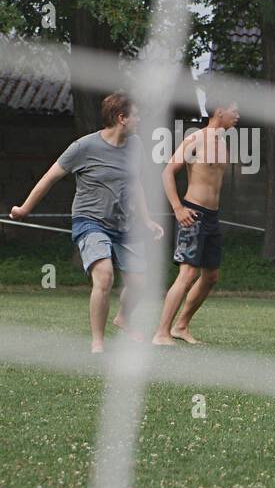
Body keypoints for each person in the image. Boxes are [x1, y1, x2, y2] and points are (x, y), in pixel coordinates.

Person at [8, 92, 164, 352]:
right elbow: (49, 178)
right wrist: (24, 209)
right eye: (136, 114)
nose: (140, 119)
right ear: (121, 118)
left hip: (122, 224)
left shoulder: (135, 145)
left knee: (139, 283)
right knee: (104, 276)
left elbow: (134, 182)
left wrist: (146, 219)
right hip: (89, 221)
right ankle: (98, 343)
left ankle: (123, 317)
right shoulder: (84, 147)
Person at [153, 96, 240, 345]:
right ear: (219, 111)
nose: (238, 115)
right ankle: (161, 333)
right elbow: (168, 171)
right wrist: (178, 208)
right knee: (188, 273)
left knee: (211, 277)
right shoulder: (195, 139)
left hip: (212, 217)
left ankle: (181, 327)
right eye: (234, 110)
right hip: (193, 213)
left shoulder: (224, 143)